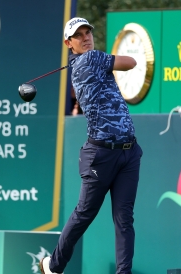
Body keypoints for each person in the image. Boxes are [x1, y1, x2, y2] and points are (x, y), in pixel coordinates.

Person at [39, 17, 142, 274]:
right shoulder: (91, 59)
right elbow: (131, 62)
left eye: (88, 33)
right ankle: (54, 265)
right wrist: (104, 58)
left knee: (124, 219)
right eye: (79, 35)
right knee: (85, 213)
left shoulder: (85, 61)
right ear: (68, 43)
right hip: (101, 154)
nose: (86, 38)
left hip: (128, 152)